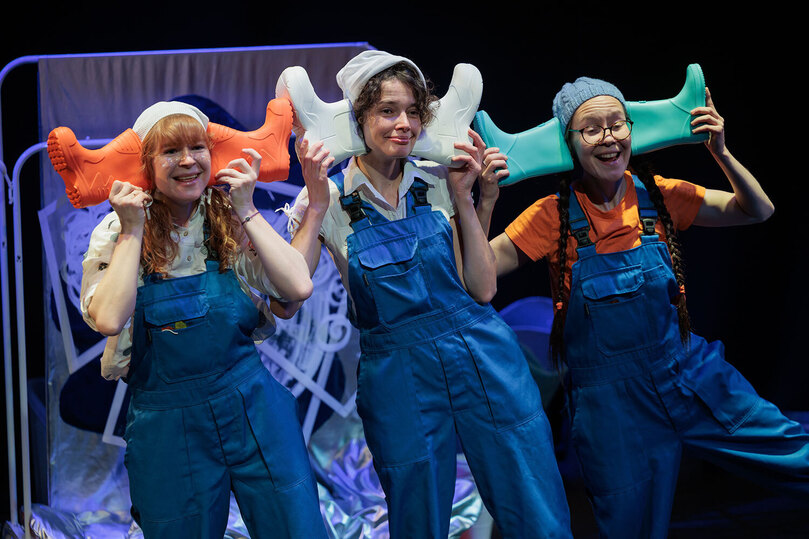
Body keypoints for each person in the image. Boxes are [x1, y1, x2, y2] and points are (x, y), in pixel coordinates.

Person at [486, 75, 809, 537]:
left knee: (796, 455)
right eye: (591, 129)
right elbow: (477, 277)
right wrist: (480, 200)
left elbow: (757, 209)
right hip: (611, 411)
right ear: (569, 143)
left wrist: (720, 152)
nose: (608, 137)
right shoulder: (550, 215)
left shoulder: (659, 195)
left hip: (688, 376)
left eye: (617, 123)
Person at [285, 50, 573, 538]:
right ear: (358, 118)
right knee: (416, 509)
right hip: (397, 370)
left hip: (479, 350)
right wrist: (313, 205)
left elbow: (481, 287)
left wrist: (472, 199)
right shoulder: (328, 199)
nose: (404, 124)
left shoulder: (439, 180)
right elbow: (290, 297)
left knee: (532, 496)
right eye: (388, 111)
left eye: (413, 111)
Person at [79, 101, 328, 538]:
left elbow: (297, 287)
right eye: (170, 151)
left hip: (252, 406)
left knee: (297, 527)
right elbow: (110, 318)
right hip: (167, 425)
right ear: (145, 165)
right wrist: (133, 230)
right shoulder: (118, 229)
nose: (188, 161)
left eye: (197, 147)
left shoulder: (226, 215)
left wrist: (247, 208)